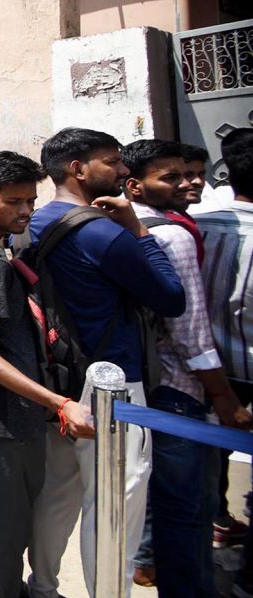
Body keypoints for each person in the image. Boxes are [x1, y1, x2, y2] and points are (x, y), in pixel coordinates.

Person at [24, 128, 186, 598]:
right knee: (116, 501)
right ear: (78, 169)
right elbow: (171, 297)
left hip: (60, 382)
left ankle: (44, 586)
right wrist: (137, 228)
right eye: (112, 162)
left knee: (60, 493)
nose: (123, 171)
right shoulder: (102, 232)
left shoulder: (34, 223)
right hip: (115, 387)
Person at [0, 151, 95, 598]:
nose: (25, 210)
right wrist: (58, 402)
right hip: (7, 418)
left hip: (11, 415)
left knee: (11, 522)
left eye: (30, 200)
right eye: (13, 201)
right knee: (6, 529)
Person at [121, 139, 251, 597]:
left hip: (154, 384)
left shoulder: (147, 225)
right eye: (171, 177)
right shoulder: (172, 235)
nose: (189, 181)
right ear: (135, 185)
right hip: (180, 388)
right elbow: (190, 331)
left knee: (172, 499)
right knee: (187, 509)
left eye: (191, 173)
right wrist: (225, 398)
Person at [204, 127, 253, 598]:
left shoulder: (195, 221)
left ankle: (216, 520)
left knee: (206, 461)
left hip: (202, 363)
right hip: (240, 370)